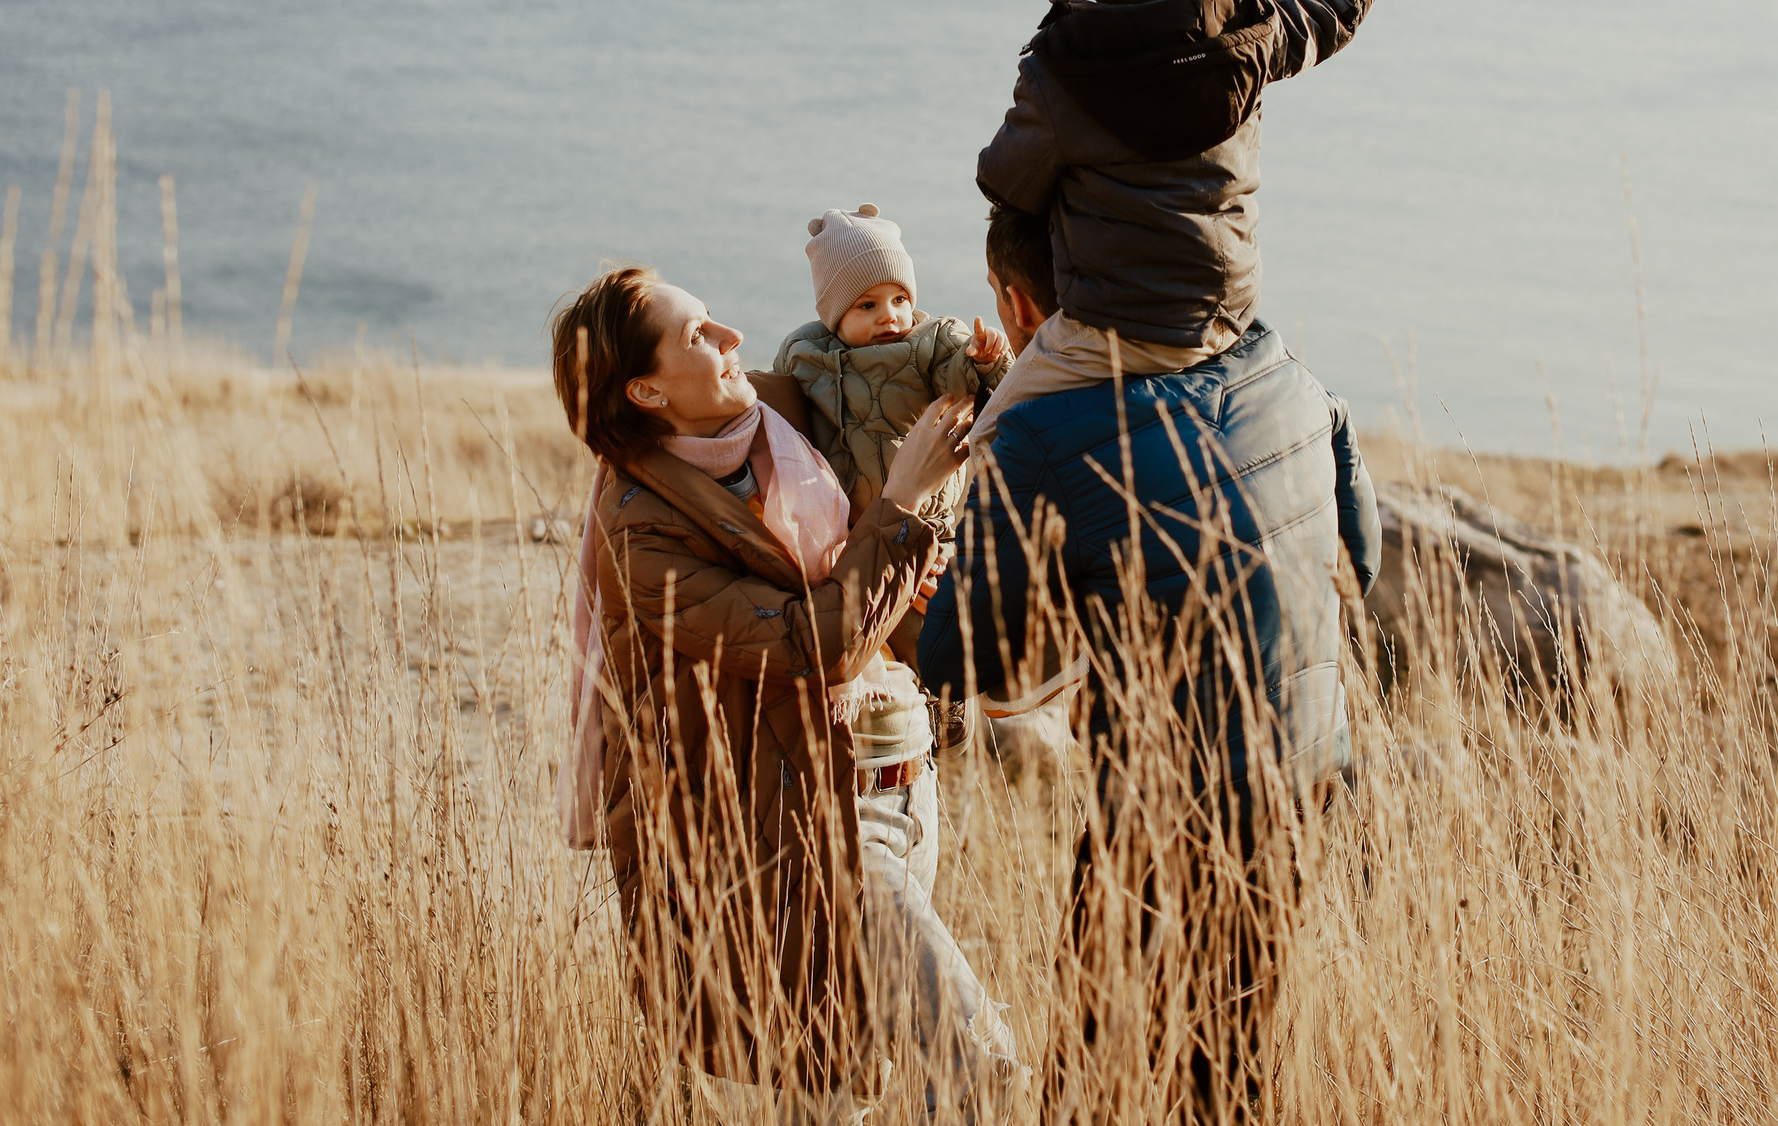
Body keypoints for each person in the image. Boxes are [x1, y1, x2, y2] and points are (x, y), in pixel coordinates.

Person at [916, 207, 1381, 1122]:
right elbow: (1355, 562)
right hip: (1313, 774)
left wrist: (928, 502)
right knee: (1237, 1065)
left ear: (1017, 304)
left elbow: (954, 656)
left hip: (1171, 807)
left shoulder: (1042, 432)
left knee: (1092, 1085)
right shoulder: (1283, 362)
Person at [551, 264, 1020, 1122]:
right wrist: (910, 506)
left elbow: (901, 367)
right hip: (803, 828)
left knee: (869, 1084)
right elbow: (812, 647)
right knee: (971, 1063)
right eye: (697, 334)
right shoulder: (642, 530)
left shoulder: (785, 414)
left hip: (905, 781)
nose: (730, 337)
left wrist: (979, 361)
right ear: (646, 388)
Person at [968, 0, 1435, 443]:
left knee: (990, 442)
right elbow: (1330, 4)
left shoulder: (1057, 76)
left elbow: (1004, 181)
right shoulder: (1250, 37)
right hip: (1228, 315)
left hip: (1111, 335)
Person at [773, 204, 1012, 524]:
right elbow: (773, 404)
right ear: (834, 316)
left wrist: (983, 360)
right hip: (840, 524)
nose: (889, 315)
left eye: (899, 300)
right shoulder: (804, 353)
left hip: (925, 516)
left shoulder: (930, 343)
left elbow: (958, 381)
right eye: (868, 305)